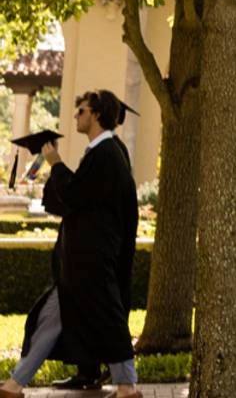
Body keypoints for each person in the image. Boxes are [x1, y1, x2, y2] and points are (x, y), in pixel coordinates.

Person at [6, 91, 141, 398]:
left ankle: (127, 386)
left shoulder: (107, 153)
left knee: (108, 316)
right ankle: (14, 384)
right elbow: (78, 199)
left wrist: (55, 162)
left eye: (81, 110)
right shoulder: (102, 153)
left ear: (95, 114)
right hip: (81, 262)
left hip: (92, 261)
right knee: (51, 319)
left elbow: (76, 195)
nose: (75, 115)